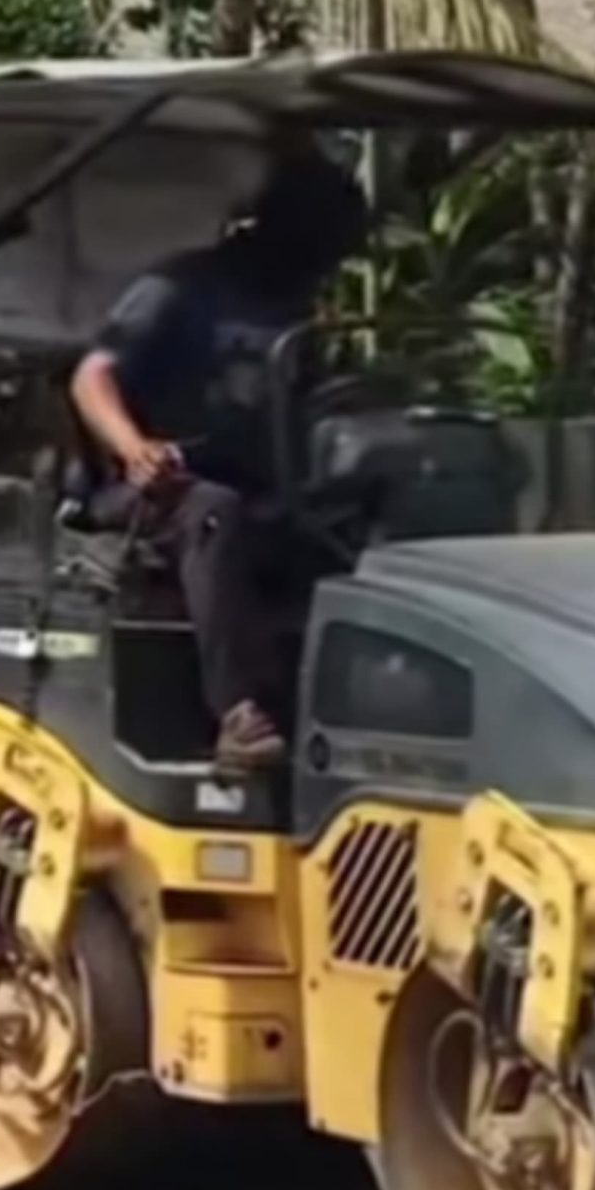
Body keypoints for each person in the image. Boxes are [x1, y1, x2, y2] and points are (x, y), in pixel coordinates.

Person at [68, 131, 371, 770]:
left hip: (266, 482)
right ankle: (239, 713)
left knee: (360, 517)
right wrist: (134, 448)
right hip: (157, 489)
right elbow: (91, 377)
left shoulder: (294, 307)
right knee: (214, 512)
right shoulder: (182, 287)